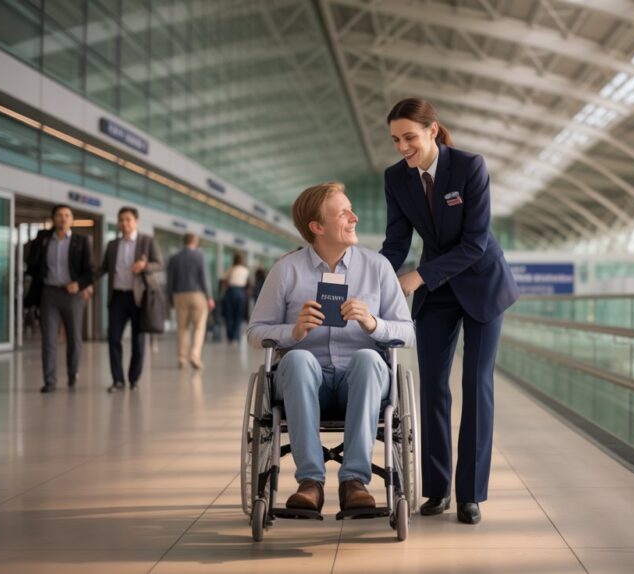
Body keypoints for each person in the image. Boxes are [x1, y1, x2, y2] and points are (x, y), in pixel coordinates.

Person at [380, 98, 519, 525]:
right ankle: (438, 490)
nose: (403, 147)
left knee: (476, 386)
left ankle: (470, 495)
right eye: (396, 140)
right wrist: (375, 276)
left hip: (481, 285)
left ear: (433, 131)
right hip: (438, 291)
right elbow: (397, 243)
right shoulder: (396, 179)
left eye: (410, 137)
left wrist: (418, 277)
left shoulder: (469, 167)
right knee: (433, 388)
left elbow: (476, 243)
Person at [248, 182, 415, 514]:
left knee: (368, 357)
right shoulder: (287, 271)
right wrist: (293, 332)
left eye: (351, 209)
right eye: (344, 213)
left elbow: (408, 333)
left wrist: (372, 324)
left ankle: (354, 481)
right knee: (297, 360)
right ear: (317, 227)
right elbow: (255, 333)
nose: (354, 218)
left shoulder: (377, 267)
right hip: (307, 381)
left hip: (364, 379)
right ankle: (311, 482)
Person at [91, 207, 163, 393]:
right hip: (117, 297)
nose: (124, 223)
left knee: (138, 342)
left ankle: (133, 379)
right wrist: (85, 282)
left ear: (136, 221)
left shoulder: (147, 241)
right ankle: (118, 381)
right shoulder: (113, 245)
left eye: (128, 219)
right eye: (121, 220)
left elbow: (159, 264)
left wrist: (144, 265)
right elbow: (103, 268)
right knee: (113, 338)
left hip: (138, 298)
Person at [24, 205, 94, 393]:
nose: (63, 218)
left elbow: (90, 271)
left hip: (72, 295)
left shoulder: (81, 241)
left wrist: (79, 284)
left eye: (67, 215)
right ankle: (50, 380)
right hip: (49, 293)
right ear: (53, 219)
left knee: (74, 338)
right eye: (59, 215)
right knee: (48, 339)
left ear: (72, 219)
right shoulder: (43, 239)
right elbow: (31, 264)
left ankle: (72, 372)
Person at [166, 233, 215, 369]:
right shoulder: (200, 256)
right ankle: (194, 356)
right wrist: (209, 297)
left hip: (179, 295)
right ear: (195, 242)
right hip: (198, 295)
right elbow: (205, 277)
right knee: (199, 327)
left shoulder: (174, 258)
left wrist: (170, 296)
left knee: (182, 328)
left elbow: (170, 280)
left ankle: (182, 358)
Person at [222, 253, 249, 343]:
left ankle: (230, 336)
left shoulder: (230, 269)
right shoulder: (245, 270)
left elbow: (225, 281)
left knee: (229, 315)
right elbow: (247, 283)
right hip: (241, 292)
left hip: (230, 291)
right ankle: (236, 336)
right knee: (238, 316)